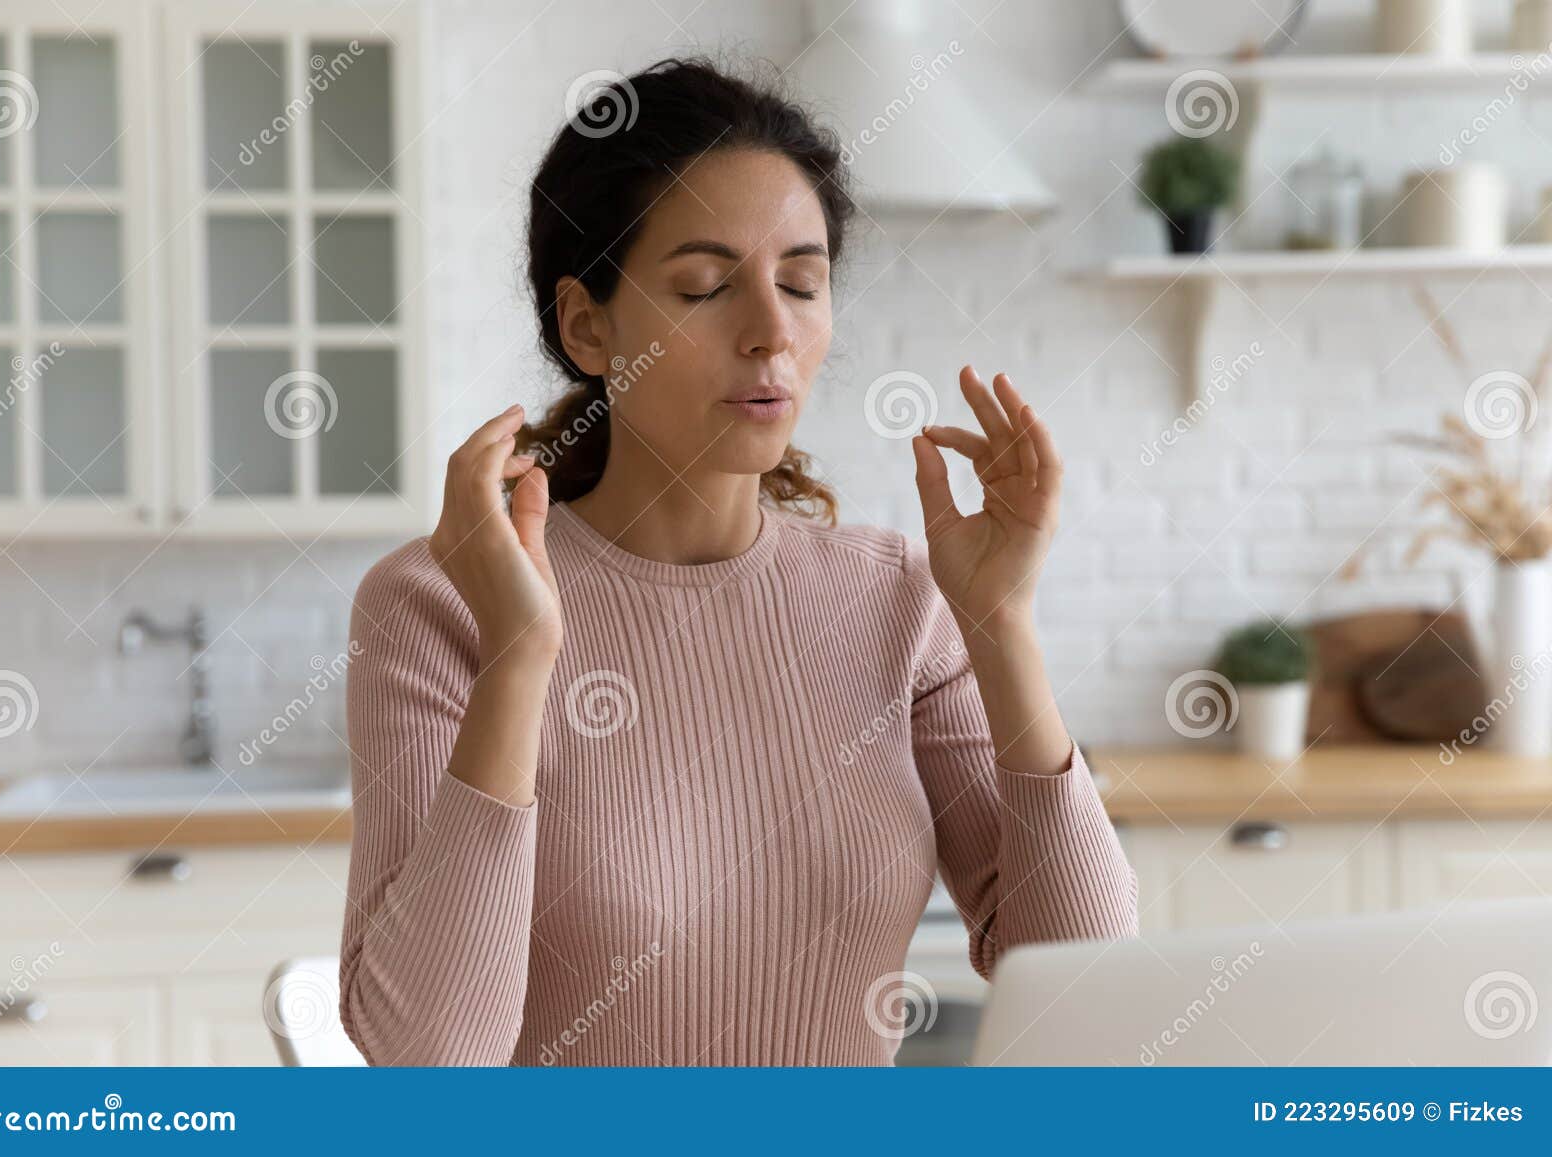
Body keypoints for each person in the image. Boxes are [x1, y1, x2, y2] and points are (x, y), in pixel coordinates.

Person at [338, 56, 1137, 1067]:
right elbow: (425, 1061)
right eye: (706, 287)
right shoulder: (439, 605)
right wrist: (520, 657)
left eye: (801, 283)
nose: (771, 333)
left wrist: (1002, 627)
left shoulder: (893, 597)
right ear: (589, 325)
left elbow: (1088, 985)